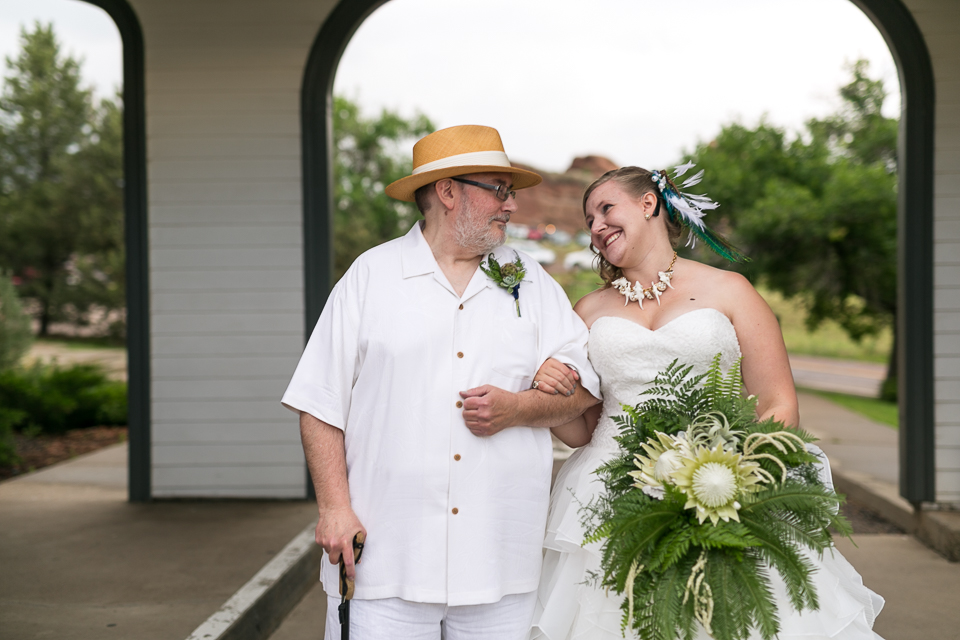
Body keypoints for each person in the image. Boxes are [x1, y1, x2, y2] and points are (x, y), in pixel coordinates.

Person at [529, 166, 886, 639]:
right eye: (589, 219)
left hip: (723, 481)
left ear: (648, 204)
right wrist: (550, 389)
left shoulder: (731, 291)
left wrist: (738, 478)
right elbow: (580, 430)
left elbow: (778, 401)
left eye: (606, 209)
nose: (596, 226)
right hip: (611, 493)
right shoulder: (586, 312)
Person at [281, 124, 601, 640]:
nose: (511, 206)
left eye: (510, 192)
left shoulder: (531, 280)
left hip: (500, 564)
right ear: (449, 191)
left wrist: (520, 408)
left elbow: (585, 396)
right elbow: (319, 402)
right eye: (498, 190)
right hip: (385, 563)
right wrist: (335, 508)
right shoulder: (370, 277)